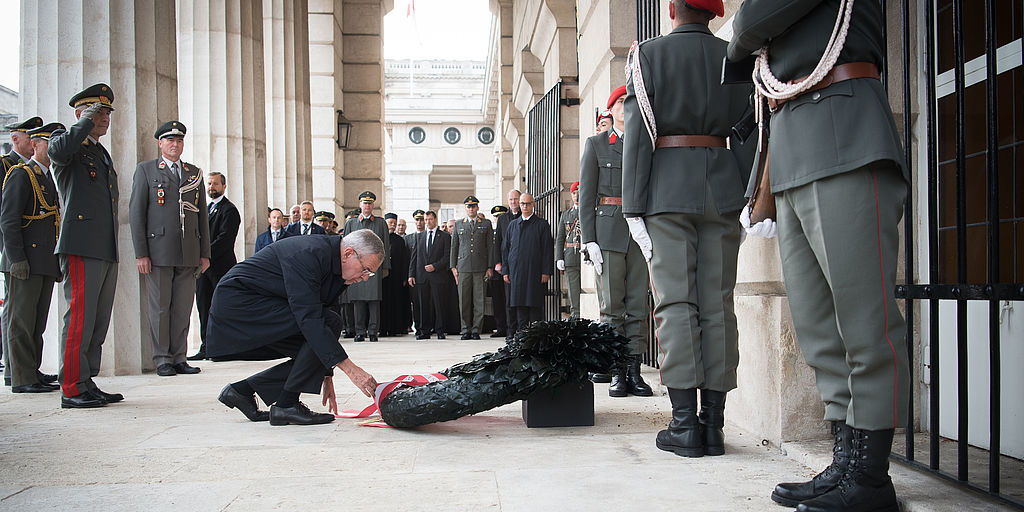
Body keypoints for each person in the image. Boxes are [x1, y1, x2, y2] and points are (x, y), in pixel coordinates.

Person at [729, 1, 909, 510]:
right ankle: (846, 463)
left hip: (844, 130)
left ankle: (871, 478)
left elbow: (747, 26)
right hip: (793, 146)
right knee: (819, 327)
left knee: (863, 322)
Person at [621, 0, 753, 456]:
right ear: (714, 13)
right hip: (722, 187)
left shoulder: (648, 54)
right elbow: (748, 129)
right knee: (717, 302)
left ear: (672, 9)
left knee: (676, 303)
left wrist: (633, 207)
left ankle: (684, 426)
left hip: (667, 192)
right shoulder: (736, 55)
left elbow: (638, 133)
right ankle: (713, 426)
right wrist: (745, 190)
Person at [208, 230, 382, 426]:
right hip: (240, 306)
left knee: (326, 328)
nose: (366, 278)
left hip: (264, 306)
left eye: (371, 273)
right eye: (366, 269)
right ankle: (285, 405)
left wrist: (325, 371)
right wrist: (351, 370)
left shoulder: (334, 263)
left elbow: (320, 321)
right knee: (327, 323)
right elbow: (310, 318)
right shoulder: (308, 254)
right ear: (349, 253)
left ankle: (243, 391)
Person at [48, 83, 124, 408]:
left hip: (104, 246)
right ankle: (71, 387)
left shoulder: (99, 152)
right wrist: (83, 122)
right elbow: (57, 152)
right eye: (97, 111)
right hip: (81, 244)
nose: (103, 117)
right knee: (79, 318)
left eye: (106, 112)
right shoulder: (68, 145)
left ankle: (86, 379)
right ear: (80, 113)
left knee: (97, 319)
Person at [579, 85, 653, 398]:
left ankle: (635, 371)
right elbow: (585, 195)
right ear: (611, 110)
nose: (627, 106)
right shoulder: (597, 144)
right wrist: (589, 239)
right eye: (621, 101)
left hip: (639, 233)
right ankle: (616, 372)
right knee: (611, 306)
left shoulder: (646, 141)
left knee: (637, 304)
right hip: (608, 232)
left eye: (630, 101)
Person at [130, 121, 210, 377]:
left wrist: (204, 252)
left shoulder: (193, 173)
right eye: (170, 140)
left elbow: (202, 217)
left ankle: (179, 357)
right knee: (160, 307)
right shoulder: (147, 170)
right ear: (160, 143)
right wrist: (141, 253)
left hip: (188, 250)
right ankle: (162, 358)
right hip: (158, 250)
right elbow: (136, 213)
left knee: (183, 307)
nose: (175, 145)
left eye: (179, 141)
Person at [0, 122, 63, 393]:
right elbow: (9, 220)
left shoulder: (47, 175)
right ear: (35, 144)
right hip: (24, 260)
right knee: (21, 321)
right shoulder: (21, 174)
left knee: (36, 321)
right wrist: (16, 259)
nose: (53, 149)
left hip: (43, 261)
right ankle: (21, 377)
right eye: (48, 143)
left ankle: (30, 371)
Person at [1, 116, 44, 381]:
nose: (34, 142)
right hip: (14, 247)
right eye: (30, 136)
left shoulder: (35, 169)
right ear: (15, 138)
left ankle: (28, 370)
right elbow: (7, 214)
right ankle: (14, 370)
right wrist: (14, 252)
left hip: (32, 248)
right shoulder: (8, 166)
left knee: (30, 317)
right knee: (17, 315)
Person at [190, 171, 240, 361]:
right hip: (202, 269)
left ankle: (223, 347)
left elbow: (225, 239)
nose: (211, 187)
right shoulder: (203, 209)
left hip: (221, 267)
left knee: (221, 308)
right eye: (209, 184)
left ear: (224, 186)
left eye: (215, 184)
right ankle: (206, 346)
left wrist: (205, 255)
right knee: (203, 306)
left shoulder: (229, 210)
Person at [342, 191, 390, 342]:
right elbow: (345, 246)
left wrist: (385, 267)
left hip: (373, 267)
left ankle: (373, 331)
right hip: (355, 267)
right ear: (360, 204)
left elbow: (385, 247)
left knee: (374, 300)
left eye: (370, 203)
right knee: (358, 300)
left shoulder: (380, 223)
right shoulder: (351, 223)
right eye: (365, 203)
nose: (367, 205)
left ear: (373, 205)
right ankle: (360, 331)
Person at [501, 193, 552, 326]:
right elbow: (505, 249)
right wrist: (505, 271)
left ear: (533, 204)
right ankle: (521, 340)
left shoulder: (542, 225)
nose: (525, 206)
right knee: (520, 310)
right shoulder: (513, 225)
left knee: (535, 310)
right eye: (522, 203)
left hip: (534, 273)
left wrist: (546, 272)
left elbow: (547, 250)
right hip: (517, 274)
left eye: (528, 203)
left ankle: (535, 340)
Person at [450, 195, 493, 339]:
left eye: (473, 206)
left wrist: (489, 266)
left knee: (479, 300)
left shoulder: (485, 223)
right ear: (466, 209)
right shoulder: (458, 224)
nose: (471, 209)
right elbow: (454, 246)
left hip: (480, 267)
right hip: (463, 267)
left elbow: (490, 247)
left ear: (477, 208)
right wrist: (453, 267)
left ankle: (476, 330)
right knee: (464, 301)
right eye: (468, 206)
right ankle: (465, 329)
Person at [408, 210, 450, 340]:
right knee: (423, 304)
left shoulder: (444, 236)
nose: (427, 222)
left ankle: (440, 330)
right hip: (422, 276)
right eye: (426, 220)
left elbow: (447, 256)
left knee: (438, 304)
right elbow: (414, 257)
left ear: (435, 220)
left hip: (437, 275)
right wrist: (411, 274)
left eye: (430, 219)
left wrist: (435, 266)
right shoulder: (419, 236)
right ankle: (424, 331)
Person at [492, 190, 522, 337]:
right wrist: (497, 262)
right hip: (507, 264)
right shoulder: (503, 218)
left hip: (522, 264)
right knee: (509, 298)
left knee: (521, 298)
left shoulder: (525, 216)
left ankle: (523, 329)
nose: (513, 202)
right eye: (510, 199)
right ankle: (511, 330)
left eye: (516, 199)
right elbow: (497, 242)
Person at [555, 181, 582, 318]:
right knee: (574, 294)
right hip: (570, 257)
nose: (576, 196)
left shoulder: (590, 211)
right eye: (574, 193)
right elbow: (560, 238)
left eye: (579, 192)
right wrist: (559, 257)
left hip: (586, 257)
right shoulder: (565, 215)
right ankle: (576, 318)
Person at [379, 212, 409, 337]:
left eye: (394, 223)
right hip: (383, 277)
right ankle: (382, 328)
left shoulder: (400, 240)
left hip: (396, 277)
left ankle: (395, 328)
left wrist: (403, 277)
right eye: (390, 223)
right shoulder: (379, 238)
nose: (392, 225)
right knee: (383, 304)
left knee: (396, 302)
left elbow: (404, 260)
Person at [486, 205, 509, 338]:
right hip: (494, 271)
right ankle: (500, 327)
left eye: (500, 216)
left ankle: (509, 326)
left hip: (506, 268)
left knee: (507, 299)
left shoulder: (507, 228)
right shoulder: (490, 232)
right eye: (495, 216)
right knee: (497, 301)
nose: (497, 218)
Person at [405, 209, 426, 337]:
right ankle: (418, 327)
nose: (419, 222)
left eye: (422, 219)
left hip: (428, 275)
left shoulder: (430, 235)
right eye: (417, 220)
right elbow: (409, 259)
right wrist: (410, 275)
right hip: (415, 276)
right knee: (416, 304)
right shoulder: (409, 238)